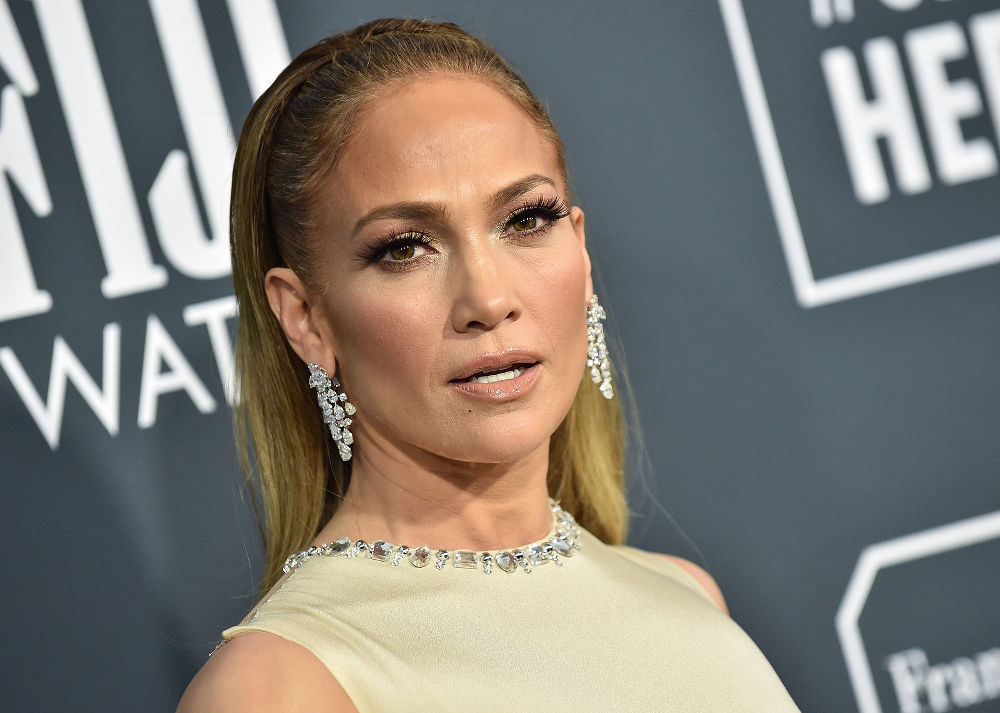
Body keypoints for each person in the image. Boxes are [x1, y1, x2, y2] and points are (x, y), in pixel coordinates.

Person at [178, 18, 800, 712]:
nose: (489, 297)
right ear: (306, 318)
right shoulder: (278, 688)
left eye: (526, 219)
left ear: (582, 252)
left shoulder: (687, 594)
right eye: (405, 247)